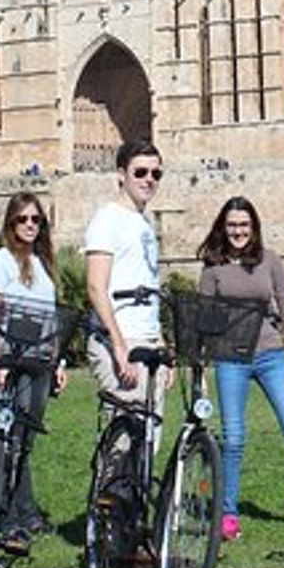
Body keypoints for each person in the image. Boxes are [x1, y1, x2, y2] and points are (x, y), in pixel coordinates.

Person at [198, 197, 284, 541]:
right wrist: (200, 372)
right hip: (230, 358)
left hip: (271, 354)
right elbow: (204, 319)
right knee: (233, 438)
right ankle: (228, 513)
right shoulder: (212, 267)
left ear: (254, 227)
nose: (238, 232)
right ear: (223, 227)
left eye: (244, 225)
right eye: (232, 225)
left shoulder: (269, 260)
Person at [0, 192, 68, 555]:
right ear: (11, 223)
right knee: (11, 439)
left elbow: (50, 317)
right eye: (23, 220)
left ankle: (25, 511)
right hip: (13, 361)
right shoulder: (1, 261)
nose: (30, 225)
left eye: (36, 220)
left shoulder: (43, 263)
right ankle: (6, 516)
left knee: (25, 439)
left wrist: (58, 361)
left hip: (41, 360)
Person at [84, 139, 165, 413]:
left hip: (147, 339)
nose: (149, 180)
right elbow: (96, 287)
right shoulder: (107, 219)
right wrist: (119, 346)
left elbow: (148, 284)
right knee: (124, 445)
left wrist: (160, 342)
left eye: (156, 173)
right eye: (140, 172)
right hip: (120, 339)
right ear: (121, 174)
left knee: (147, 444)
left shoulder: (145, 223)